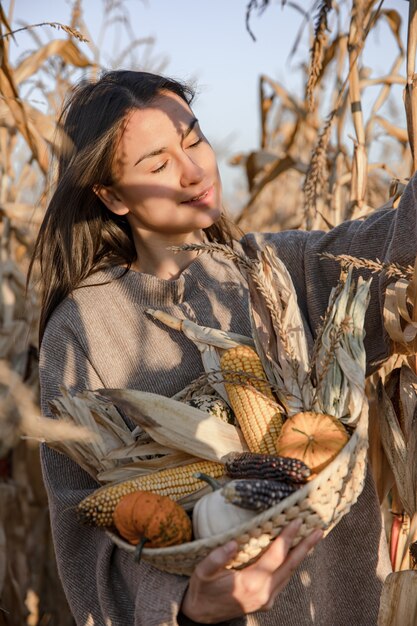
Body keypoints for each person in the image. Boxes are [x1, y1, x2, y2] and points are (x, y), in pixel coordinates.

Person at [30, 68, 414, 626]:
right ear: (111, 196)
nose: (193, 172)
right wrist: (184, 603)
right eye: (158, 164)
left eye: (195, 140)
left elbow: (398, 247)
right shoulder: (84, 327)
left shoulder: (281, 270)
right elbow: (83, 531)